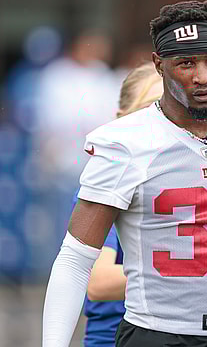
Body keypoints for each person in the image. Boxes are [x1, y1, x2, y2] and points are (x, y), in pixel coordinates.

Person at [42, 0, 207, 347]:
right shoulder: (124, 142)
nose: (202, 76)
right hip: (157, 335)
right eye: (186, 63)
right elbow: (74, 259)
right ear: (158, 65)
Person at [81, 61, 163, 346]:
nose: (165, 119)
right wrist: (192, 279)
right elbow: (98, 283)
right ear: (121, 118)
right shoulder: (108, 184)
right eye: (152, 106)